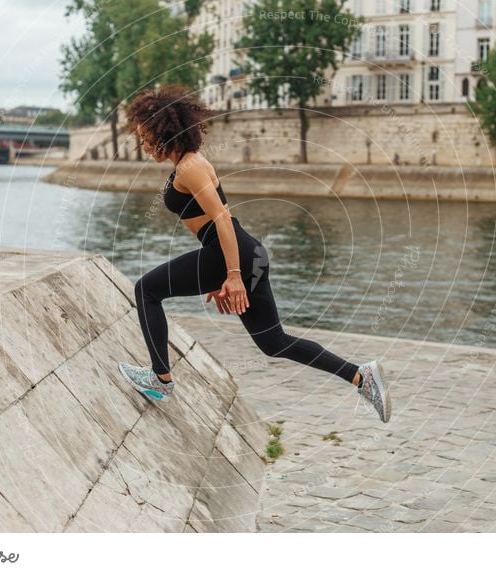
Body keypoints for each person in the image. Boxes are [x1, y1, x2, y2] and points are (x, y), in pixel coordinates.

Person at [117, 84, 391, 423]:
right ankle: (361, 376)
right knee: (273, 342)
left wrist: (231, 275)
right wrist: (224, 274)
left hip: (232, 253)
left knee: (147, 289)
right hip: (244, 254)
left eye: (146, 138)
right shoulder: (188, 165)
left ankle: (161, 379)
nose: (143, 146)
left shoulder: (190, 168)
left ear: (166, 131)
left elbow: (222, 220)